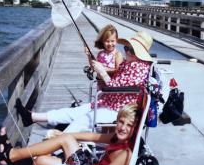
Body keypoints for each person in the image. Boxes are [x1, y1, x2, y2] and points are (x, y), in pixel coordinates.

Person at [15, 31, 153, 132]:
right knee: (73, 113)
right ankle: (31, 117)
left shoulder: (138, 68)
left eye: (132, 50)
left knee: (77, 124)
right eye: (127, 48)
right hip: (108, 102)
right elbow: (117, 81)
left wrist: (103, 73)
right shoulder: (130, 63)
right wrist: (100, 71)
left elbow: (116, 86)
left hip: (117, 109)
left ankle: (51, 153)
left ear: (140, 53)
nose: (127, 52)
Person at [0, 104, 141, 165]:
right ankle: (12, 155)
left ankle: (12, 155)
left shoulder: (125, 154)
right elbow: (93, 136)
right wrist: (66, 134)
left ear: (135, 129)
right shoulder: (118, 139)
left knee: (43, 159)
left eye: (129, 125)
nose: (123, 127)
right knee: (41, 160)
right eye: (121, 122)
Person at [86, 24, 123, 89]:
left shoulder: (117, 54)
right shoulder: (100, 54)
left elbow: (118, 71)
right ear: (102, 41)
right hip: (100, 85)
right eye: (107, 41)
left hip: (112, 86)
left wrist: (104, 69)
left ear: (116, 40)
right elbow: (94, 67)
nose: (110, 44)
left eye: (112, 41)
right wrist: (89, 56)